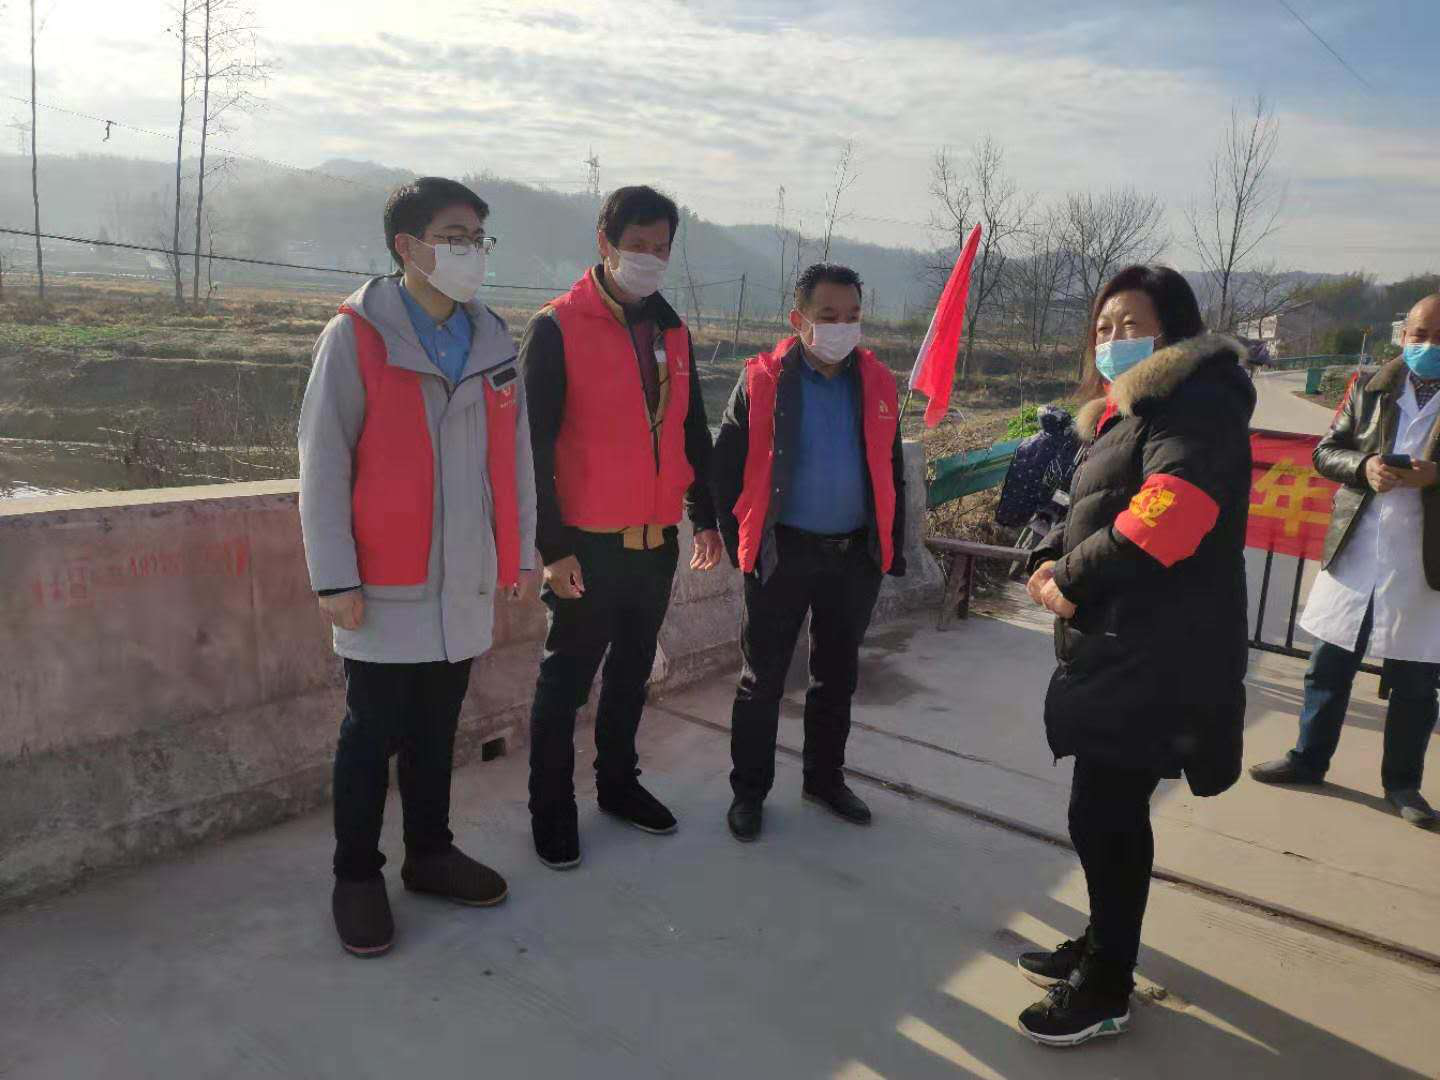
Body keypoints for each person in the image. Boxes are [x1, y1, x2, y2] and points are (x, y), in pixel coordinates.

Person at [298, 177, 538, 957]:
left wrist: (518, 554)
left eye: (477, 238)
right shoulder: (358, 337)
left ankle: (430, 854)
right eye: (453, 236)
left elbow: (517, 460)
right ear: (407, 246)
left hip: (463, 579)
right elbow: (323, 462)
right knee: (372, 736)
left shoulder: (492, 340)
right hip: (382, 584)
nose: (470, 252)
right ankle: (356, 876)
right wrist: (335, 577)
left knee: (437, 730)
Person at [1018, 265, 1254, 1046]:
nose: (1113, 339)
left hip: (1158, 646)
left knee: (1106, 816)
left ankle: (1106, 984)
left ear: (1173, 331)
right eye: (1103, 327)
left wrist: (1070, 580)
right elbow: (1093, 506)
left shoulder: (1198, 401)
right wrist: (1049, 556)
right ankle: (1102, 943)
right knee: (1105, 814)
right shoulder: (1129, 412)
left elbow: (1170, 511)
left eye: (1131, 325)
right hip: (1122, 641)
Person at [521, 185, 722, 870]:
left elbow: (690, 428)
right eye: (637, 245)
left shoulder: (671, 330)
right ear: (604, 244)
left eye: (661, 248)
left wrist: (704, 517)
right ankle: (551, 810)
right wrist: (552, 548)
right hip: (587, 547)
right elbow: (532, 449)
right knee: (566, 684)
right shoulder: (557, 327)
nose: (649, 258)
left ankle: (617, 784)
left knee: (632, 675)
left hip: (654, 543)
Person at [711, 263, 905, 843]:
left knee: (836, 678)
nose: (842, 327)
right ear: (799, 319)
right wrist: (741, 546)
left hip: (854, 557)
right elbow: (725, 467)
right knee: (762, 680)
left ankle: (824, 780)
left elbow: (892, 468)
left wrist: (888, 549)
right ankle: (749, 793)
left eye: (853, 316)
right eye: (828, 316)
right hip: (783, 552)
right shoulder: (762, 380)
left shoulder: (877, 382)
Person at [1249, 294, 1440, 828]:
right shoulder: (1370, 387)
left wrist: (1435, 476)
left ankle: (1402, 785)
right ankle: (1308, 759)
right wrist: (1365, 466)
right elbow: (1325, 452)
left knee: (1416, 685)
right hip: (1358, 550)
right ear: (1404, 335)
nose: (1428, 346)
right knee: (1327, 668)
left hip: (1424, 564)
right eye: (1421, 334)